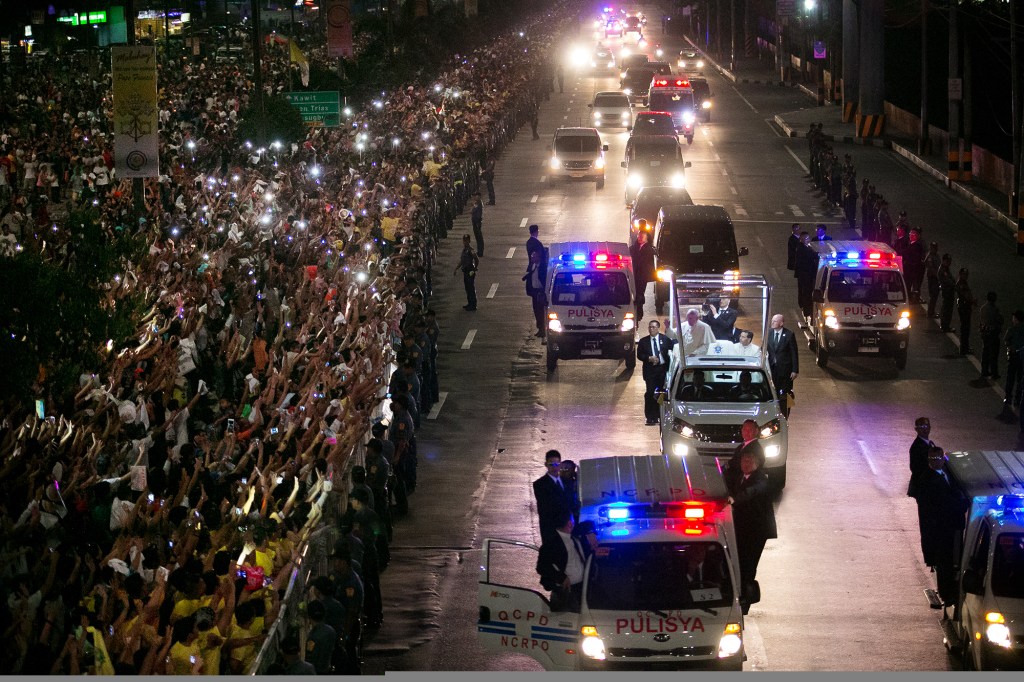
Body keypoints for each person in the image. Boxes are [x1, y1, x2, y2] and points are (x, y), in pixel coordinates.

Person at [914, 447, 968, 609]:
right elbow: (945, 504)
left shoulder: (944, 474)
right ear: (929, 461)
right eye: (932, 459)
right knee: (944, 563)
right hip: (940, 530)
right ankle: (947, 595)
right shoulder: (928, 480)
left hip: (948, 527)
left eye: (938, 458)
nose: (936, 461)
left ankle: (949, 591)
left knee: (948, 561)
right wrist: (964, 503)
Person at [724, 451, 777, 613]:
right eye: (743, 461)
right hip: (742, 529)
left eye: (749, 462)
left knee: (748, 564)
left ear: (756, 464)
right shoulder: (741, 477)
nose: (745, 464)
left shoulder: (760, 478)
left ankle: (745, 598)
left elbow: (753, 491)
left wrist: (735, 499)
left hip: (756, 531)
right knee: (738, 561)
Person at [536, 511, 586, 612]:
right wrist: (561, 578)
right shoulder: (552, 544)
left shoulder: (574, 538)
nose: (574, 522)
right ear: (569, 523)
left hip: (581, 588)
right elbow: (542, 567)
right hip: (564, 592)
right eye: (572, 520)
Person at [637, 320, 674, 425]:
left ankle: (659, 414)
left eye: (653, 327)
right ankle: (650, 416)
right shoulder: (643, 341)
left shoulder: (665, 339)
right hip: (650, 371)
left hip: (662, 370)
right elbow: (639, 355)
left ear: (658, 328)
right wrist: (649, 358)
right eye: (650, 327)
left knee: (661, 393)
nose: (651, 329)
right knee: (650, 392)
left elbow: (672, 350)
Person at [533, 450, 571, 541]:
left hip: (569, 528)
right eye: (551, 464)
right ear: (546, 464)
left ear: (560, 464)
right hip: (552, 531)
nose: (554, 467)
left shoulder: (567, 482)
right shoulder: (540, 484)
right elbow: (546, 509)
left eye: (557, 464)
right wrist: (563, 524)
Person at [766, 314, 798, 417]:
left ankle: (785, 414)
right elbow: (765, 349)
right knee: (772, 392)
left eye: (775, 321)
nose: (772, 323)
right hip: (772, 369)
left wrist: (795, 370)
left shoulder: (789, 334)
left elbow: (794, 353)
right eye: (772, 321)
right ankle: (773, 414)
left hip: (785, 370)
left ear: (781, 323)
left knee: (785, 394)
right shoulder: (769, 333)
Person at [906, 416, 935, 499]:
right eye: (921, 427)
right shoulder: (916, 447)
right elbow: (914, 468)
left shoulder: (930, 443)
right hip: (923, 487)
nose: (924, 429)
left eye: (926, 426)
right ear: (916, 429)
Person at [629, 229, 655, 320]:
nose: (639, 238)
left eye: (641, 236)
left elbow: (647, 264)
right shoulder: (633, 248)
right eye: (638, 236)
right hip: (633, 275)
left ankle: (639, 313)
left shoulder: (649, 250)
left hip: (642, 276)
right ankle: (636, 311)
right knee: (633, 293)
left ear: (646, 238)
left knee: (639, 293)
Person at [1002, 311, 1024, 414]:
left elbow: (1006, 340)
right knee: (1020, 378)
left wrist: (1010, 347)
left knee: (1010, 378)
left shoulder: (1011, 329)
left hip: (1013, 356)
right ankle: (1018, 399)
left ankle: (1008, 397)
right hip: (1021, 357)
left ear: (1016, 319)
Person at [523, 248, 548, 338]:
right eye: (532, 256)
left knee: (541, 311)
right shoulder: (533, 265)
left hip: (541, 292)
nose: (532, 257)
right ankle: (540, 328)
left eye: (534, 256)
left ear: (539, 257)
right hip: (534, 292)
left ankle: (543, 330)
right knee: (536, 311)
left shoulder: (543, 267)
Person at [978, 291, 1003, 379]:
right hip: (992, 333)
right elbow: (999, 319)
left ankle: (984, 370)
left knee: (985, 352)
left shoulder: (983, 308)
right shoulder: (994, 309)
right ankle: (994, 372)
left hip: (985, 333)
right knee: (994, 354)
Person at [794, 231, 817, 320]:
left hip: (805, 275)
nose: (807, 240)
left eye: (808, 238)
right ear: (801, 239)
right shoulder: (802, 249)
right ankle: (807, 310)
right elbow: (811, 257)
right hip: (805, 275)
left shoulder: (806, 248)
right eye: (805, 239)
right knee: (806, 293)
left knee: (805, 292)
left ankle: (806, 309)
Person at [454, 234, 479, 311]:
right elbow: (462, 261)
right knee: (467, 288)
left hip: (470, 271)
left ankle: (473, 305)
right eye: (464, 240)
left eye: (466, 240)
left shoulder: (471, 250)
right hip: (465, 271)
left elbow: (476, 259)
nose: (465, 242)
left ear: (469, 241)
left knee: (471, 288)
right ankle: (469, 303)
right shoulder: (464, 250)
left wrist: (474, 268)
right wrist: (456, 268)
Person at [954, 268, 975, 355]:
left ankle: (965, 347)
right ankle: (964, 348)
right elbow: (966, 296)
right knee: (965, 328)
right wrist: (973, 300)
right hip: (964, 307)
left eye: (966, 275)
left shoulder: (963, 282)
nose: (965, 276)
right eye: (964, 274)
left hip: (964, 306)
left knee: (966, 328)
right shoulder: (961, 284)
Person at [904, 228, 925, 303]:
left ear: (917, 236)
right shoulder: (911, 244)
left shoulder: (917, 246)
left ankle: (913, 300)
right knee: (909, 286)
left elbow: (914, 259)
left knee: (912, 286)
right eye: (910, 234)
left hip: (912, 271)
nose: (911, 236)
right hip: (910, 270)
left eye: (913, 234)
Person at [923, 242, 942, 318]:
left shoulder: (936, 255)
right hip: (933, 278)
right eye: (934, 247)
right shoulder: (930, 257)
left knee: (935, 295)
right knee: (933, 295)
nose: (935, 249)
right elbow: (931, 269)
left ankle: (932, 311)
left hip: (935, 278)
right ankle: (930, 313)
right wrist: (938, 277)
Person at [937, 254, 956, 333]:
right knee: (946, 310)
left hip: (949, 291)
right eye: (948, 261)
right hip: (947, 291)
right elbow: (948, 281)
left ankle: (945, 325)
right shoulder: (943, 270)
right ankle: (945, 326)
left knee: (947, 309)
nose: (949, 263)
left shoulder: (946, 269)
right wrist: (954, 285)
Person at [559, 459, 581, 525]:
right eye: (561, 468)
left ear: (573, 470)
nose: (563, 471)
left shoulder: (578, 482)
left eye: (566, 469)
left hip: (577, 513)